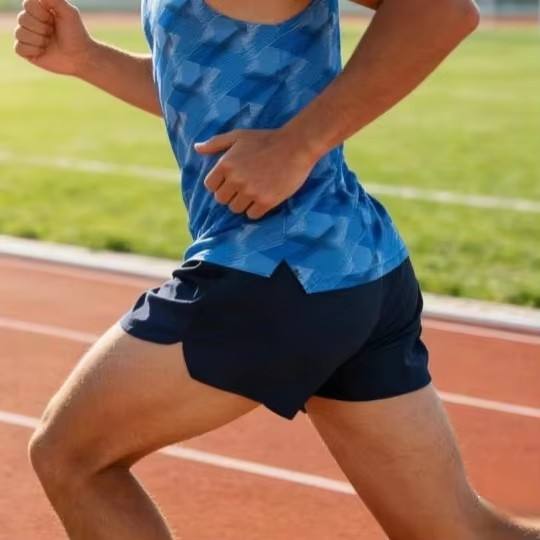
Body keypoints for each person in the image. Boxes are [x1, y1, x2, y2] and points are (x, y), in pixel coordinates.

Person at [14, 0, 538, 538]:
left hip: (272, 266)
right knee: (460, 532)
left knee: (71, 457)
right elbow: (202, 88)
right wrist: (89, 59)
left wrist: (299, 143)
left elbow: (441, 11)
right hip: (352, 263)